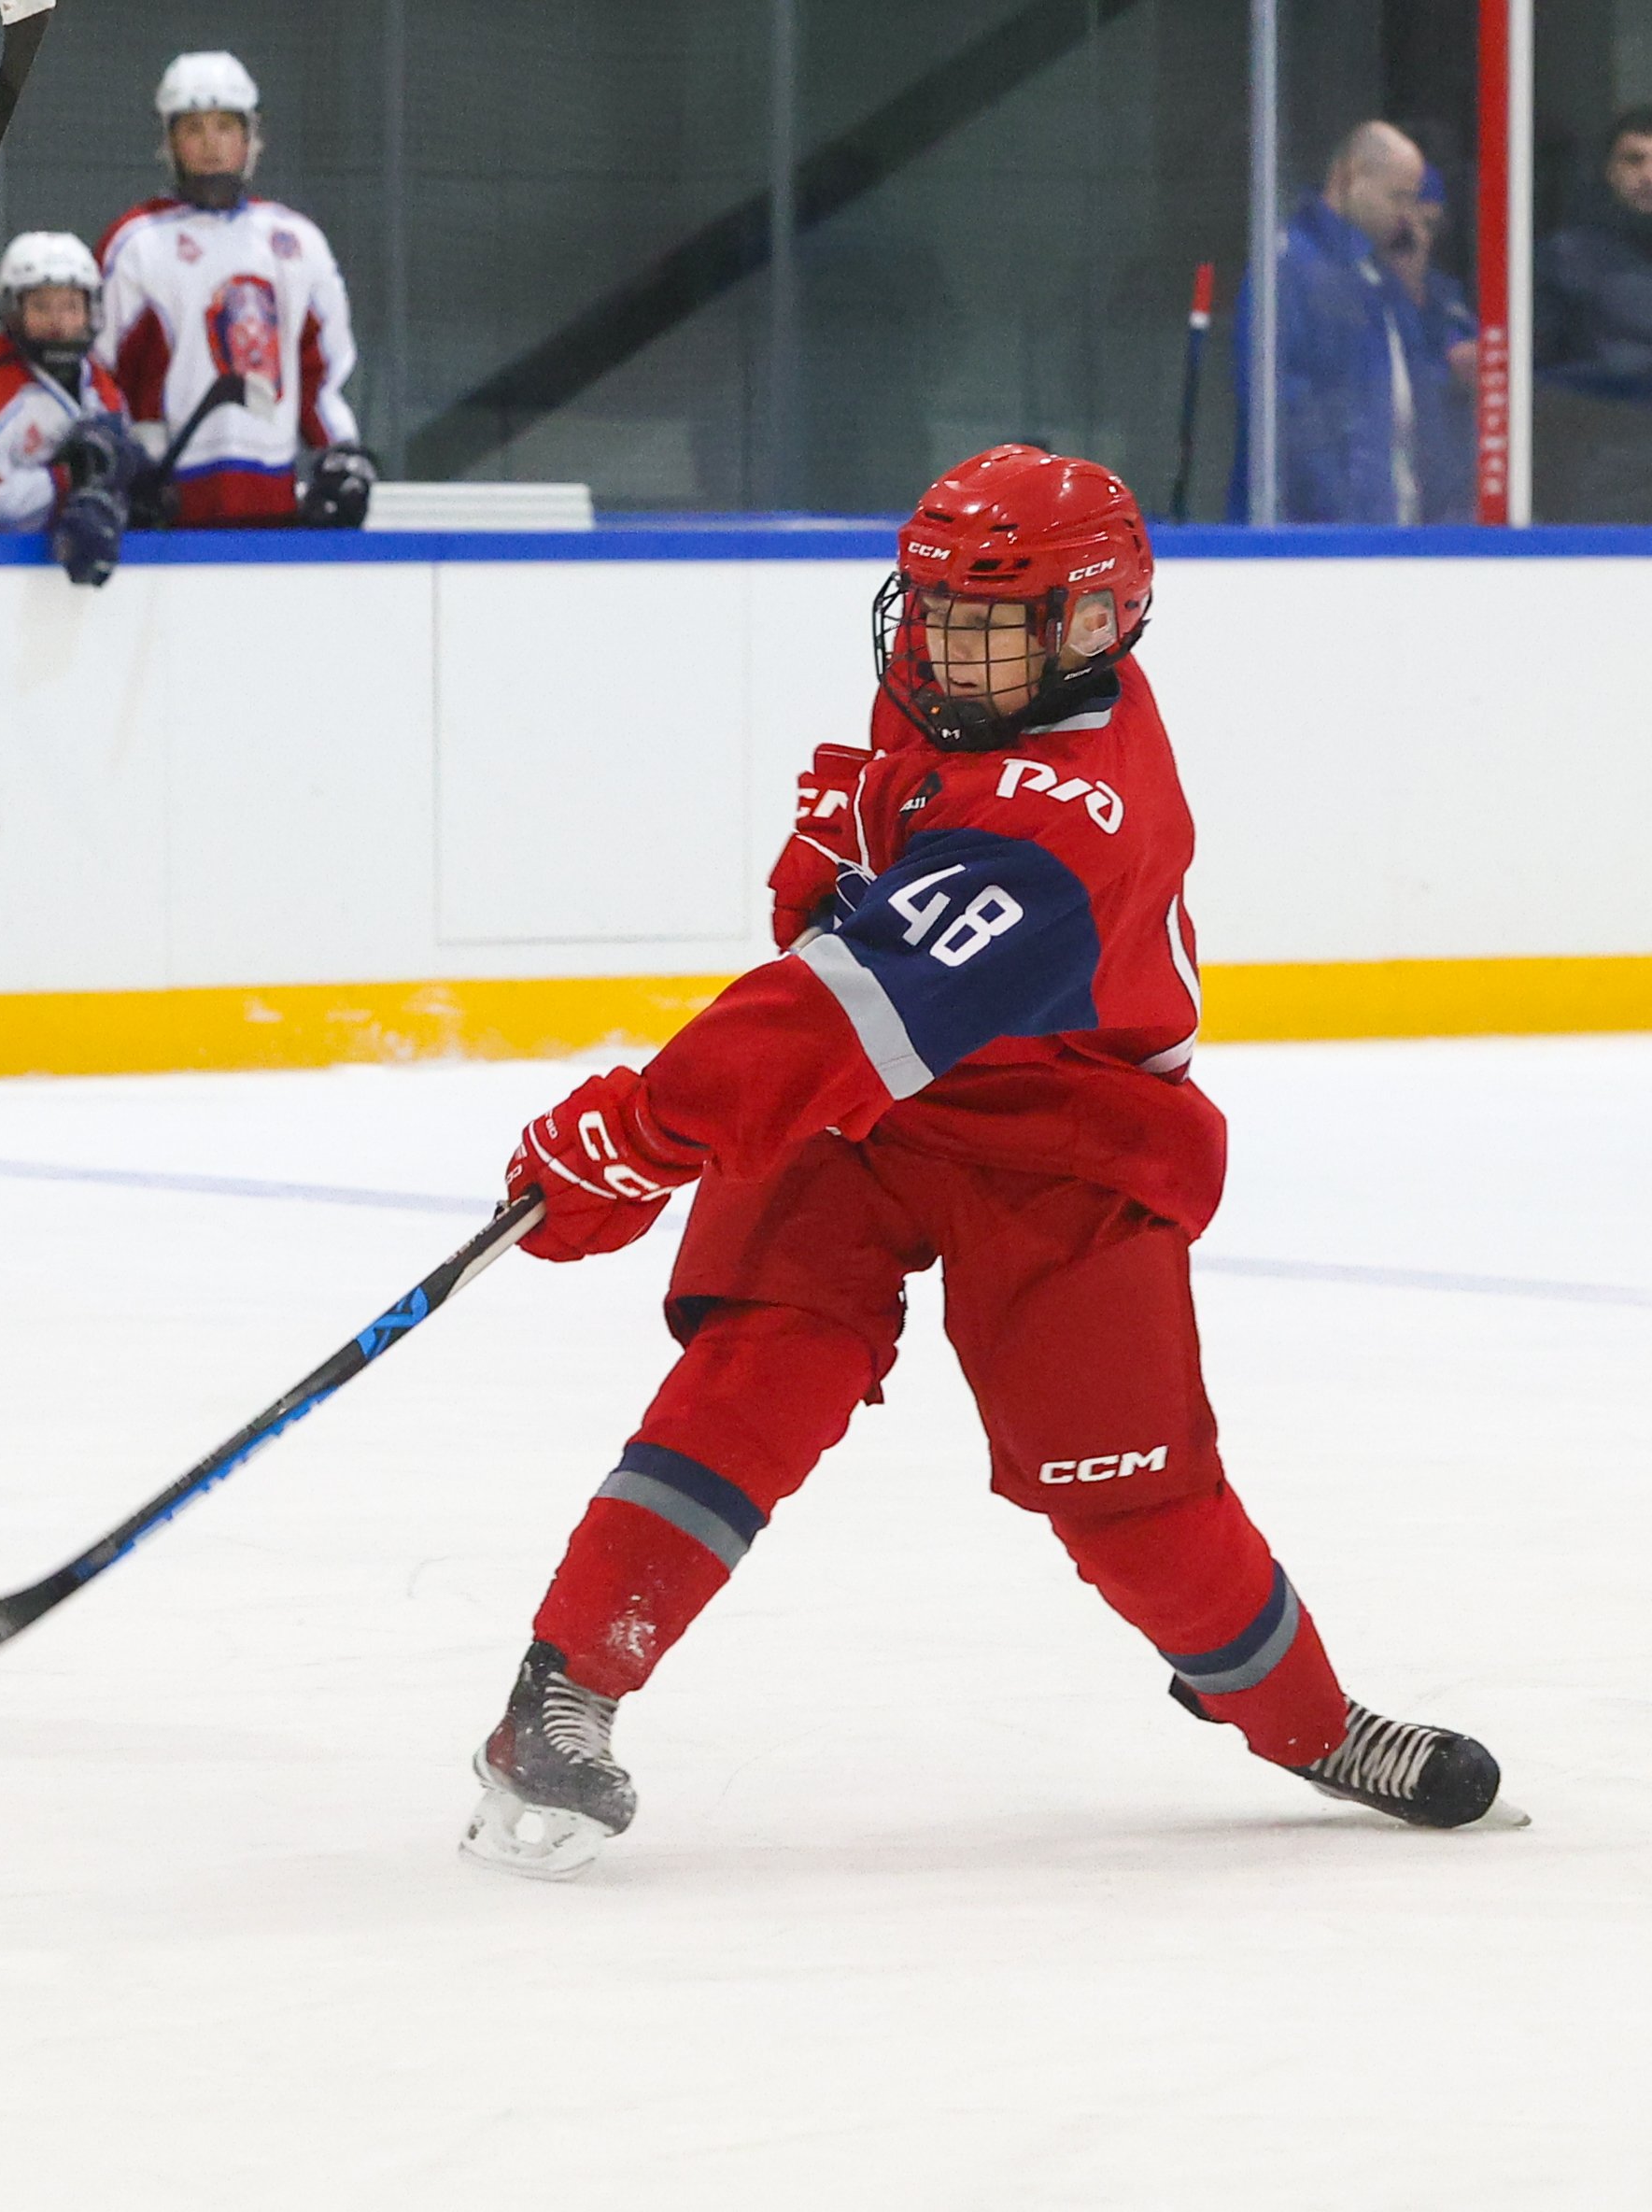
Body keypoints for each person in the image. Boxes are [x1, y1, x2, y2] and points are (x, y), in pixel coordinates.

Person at [458, 447, 1509, 1879]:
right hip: (883, 1108)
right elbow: (842, 921)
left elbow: (849, 1002)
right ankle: (564, 1692)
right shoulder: (977, 675)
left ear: (1091, 623)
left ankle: (1302, 1718)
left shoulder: (1076, 817)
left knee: (1132, 1501)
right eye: (935, 610)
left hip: (1063, 1133)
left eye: (986, 621)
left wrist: (640, 1137)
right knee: (760, 1363)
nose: (942, 646)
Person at [95, 52, 371, 530]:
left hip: (275, 502)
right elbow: (99, 377)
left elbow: (320, 377)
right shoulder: (136, 244)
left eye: (225, 126)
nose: (211, 144)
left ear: (250, 137)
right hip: (166, 508)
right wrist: (120, 470)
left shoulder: (296, 243)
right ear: (170, 141)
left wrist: (340, 455)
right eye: (193, 128)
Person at [1226, 120, 1437, 525]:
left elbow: (1416, 397)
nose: (1408, 216)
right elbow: (1283, 412)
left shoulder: (1378, 271)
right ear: (1348, 177)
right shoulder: (1289, 267)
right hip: (1316, 542)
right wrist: (1345, 519)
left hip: (1387, 531)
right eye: (1398, 198)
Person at [0, 230, 136, 587]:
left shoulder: (99, 382)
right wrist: (69, 478)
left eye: (71, 307)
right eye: (42, 307)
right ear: (13, 310)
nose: (59, 323)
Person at [1534, 106, 1652, 520]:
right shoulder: (1565, 259)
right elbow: (1539, 379)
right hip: (1606, 489)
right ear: (1609, 171)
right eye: (1634, 159)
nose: (1649, 175)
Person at [1385, 164, 1478, 525]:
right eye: (1413, 228)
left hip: (1446, 497)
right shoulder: (1353, 289)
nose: (1423, 239)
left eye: (1432, 226)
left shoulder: (1445, 292)